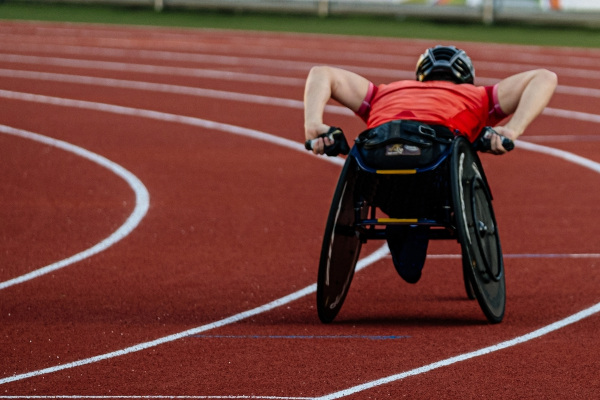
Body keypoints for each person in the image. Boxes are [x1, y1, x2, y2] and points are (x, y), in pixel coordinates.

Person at [303, 45, 557, 283]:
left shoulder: (387, 91)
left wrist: (313, 124)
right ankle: (414, 219)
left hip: (377, 169)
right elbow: (545, 77)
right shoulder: (478, 95)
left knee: (394, 178)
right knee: (440, 165)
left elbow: (321, 73)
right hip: (435, 174)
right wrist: (511, 130)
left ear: (421, 75)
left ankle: (403, 218)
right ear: (467, 77)